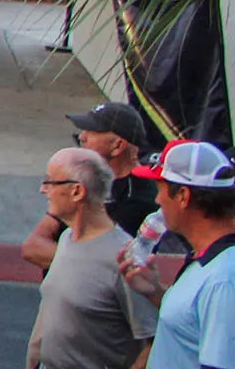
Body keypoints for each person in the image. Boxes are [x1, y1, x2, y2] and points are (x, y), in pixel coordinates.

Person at [19, 147, 153, 369]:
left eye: (50, 182)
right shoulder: (65, 239)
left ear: (77, 191)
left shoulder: (123, 260)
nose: (43, 189)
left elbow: (154, 342)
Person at [124, 140, 235, 369]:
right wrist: (155, 292)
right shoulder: (207, 261)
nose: (157, 200)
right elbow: (196, 327)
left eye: (161, 189)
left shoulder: (225, 277)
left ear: (183, 196)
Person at [20, 102, 157, 271]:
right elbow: (33, 246)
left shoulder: (140, 197)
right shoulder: (86, 177)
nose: (82, 137)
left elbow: (109, 262)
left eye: (92, 132)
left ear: (118, 146)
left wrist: (65, 257)